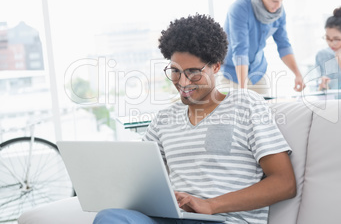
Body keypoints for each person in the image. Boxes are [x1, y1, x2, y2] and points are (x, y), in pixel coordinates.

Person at [93, 14, 296, 224]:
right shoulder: (164, 119)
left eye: (193, 72)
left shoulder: (246, 105)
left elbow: (284, 183)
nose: (182, 81)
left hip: (223, 220)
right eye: (175, 71)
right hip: (173, 218)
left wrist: (210, 205)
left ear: (216, 66)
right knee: (110, 217)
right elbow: (136, 179)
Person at [220, 0, 305, 95]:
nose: (278, 5)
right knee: (234, 109)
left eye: (282, 0)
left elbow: (284, 45)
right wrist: (243, 90)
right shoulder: (240, 8)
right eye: (275, 1)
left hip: (257, 72)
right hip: (232, 73)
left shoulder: (279, 12)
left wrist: (298, 74)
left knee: (264, 110)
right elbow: (240, 49)